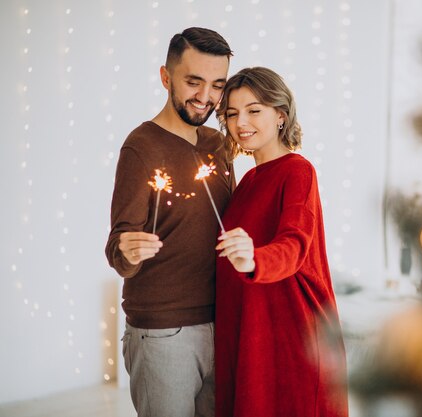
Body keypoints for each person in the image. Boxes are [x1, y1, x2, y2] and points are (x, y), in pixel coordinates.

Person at [104, 27, 235, 417]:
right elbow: (118, 247)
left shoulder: (219, 144)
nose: (205, 97)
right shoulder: (141, 147)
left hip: (222, 322)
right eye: (193, 82)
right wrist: (127, 250)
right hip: (163, 333)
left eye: (217, 85)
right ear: (166, 77)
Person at [214, 67, 349, 417]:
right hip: (251, 335)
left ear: (280, 116)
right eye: (231, 113)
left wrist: (255, 260)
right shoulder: (245, 183)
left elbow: (295, 243)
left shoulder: (297, 171)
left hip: (291, 335)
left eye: (253, 110)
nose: (240, 121)